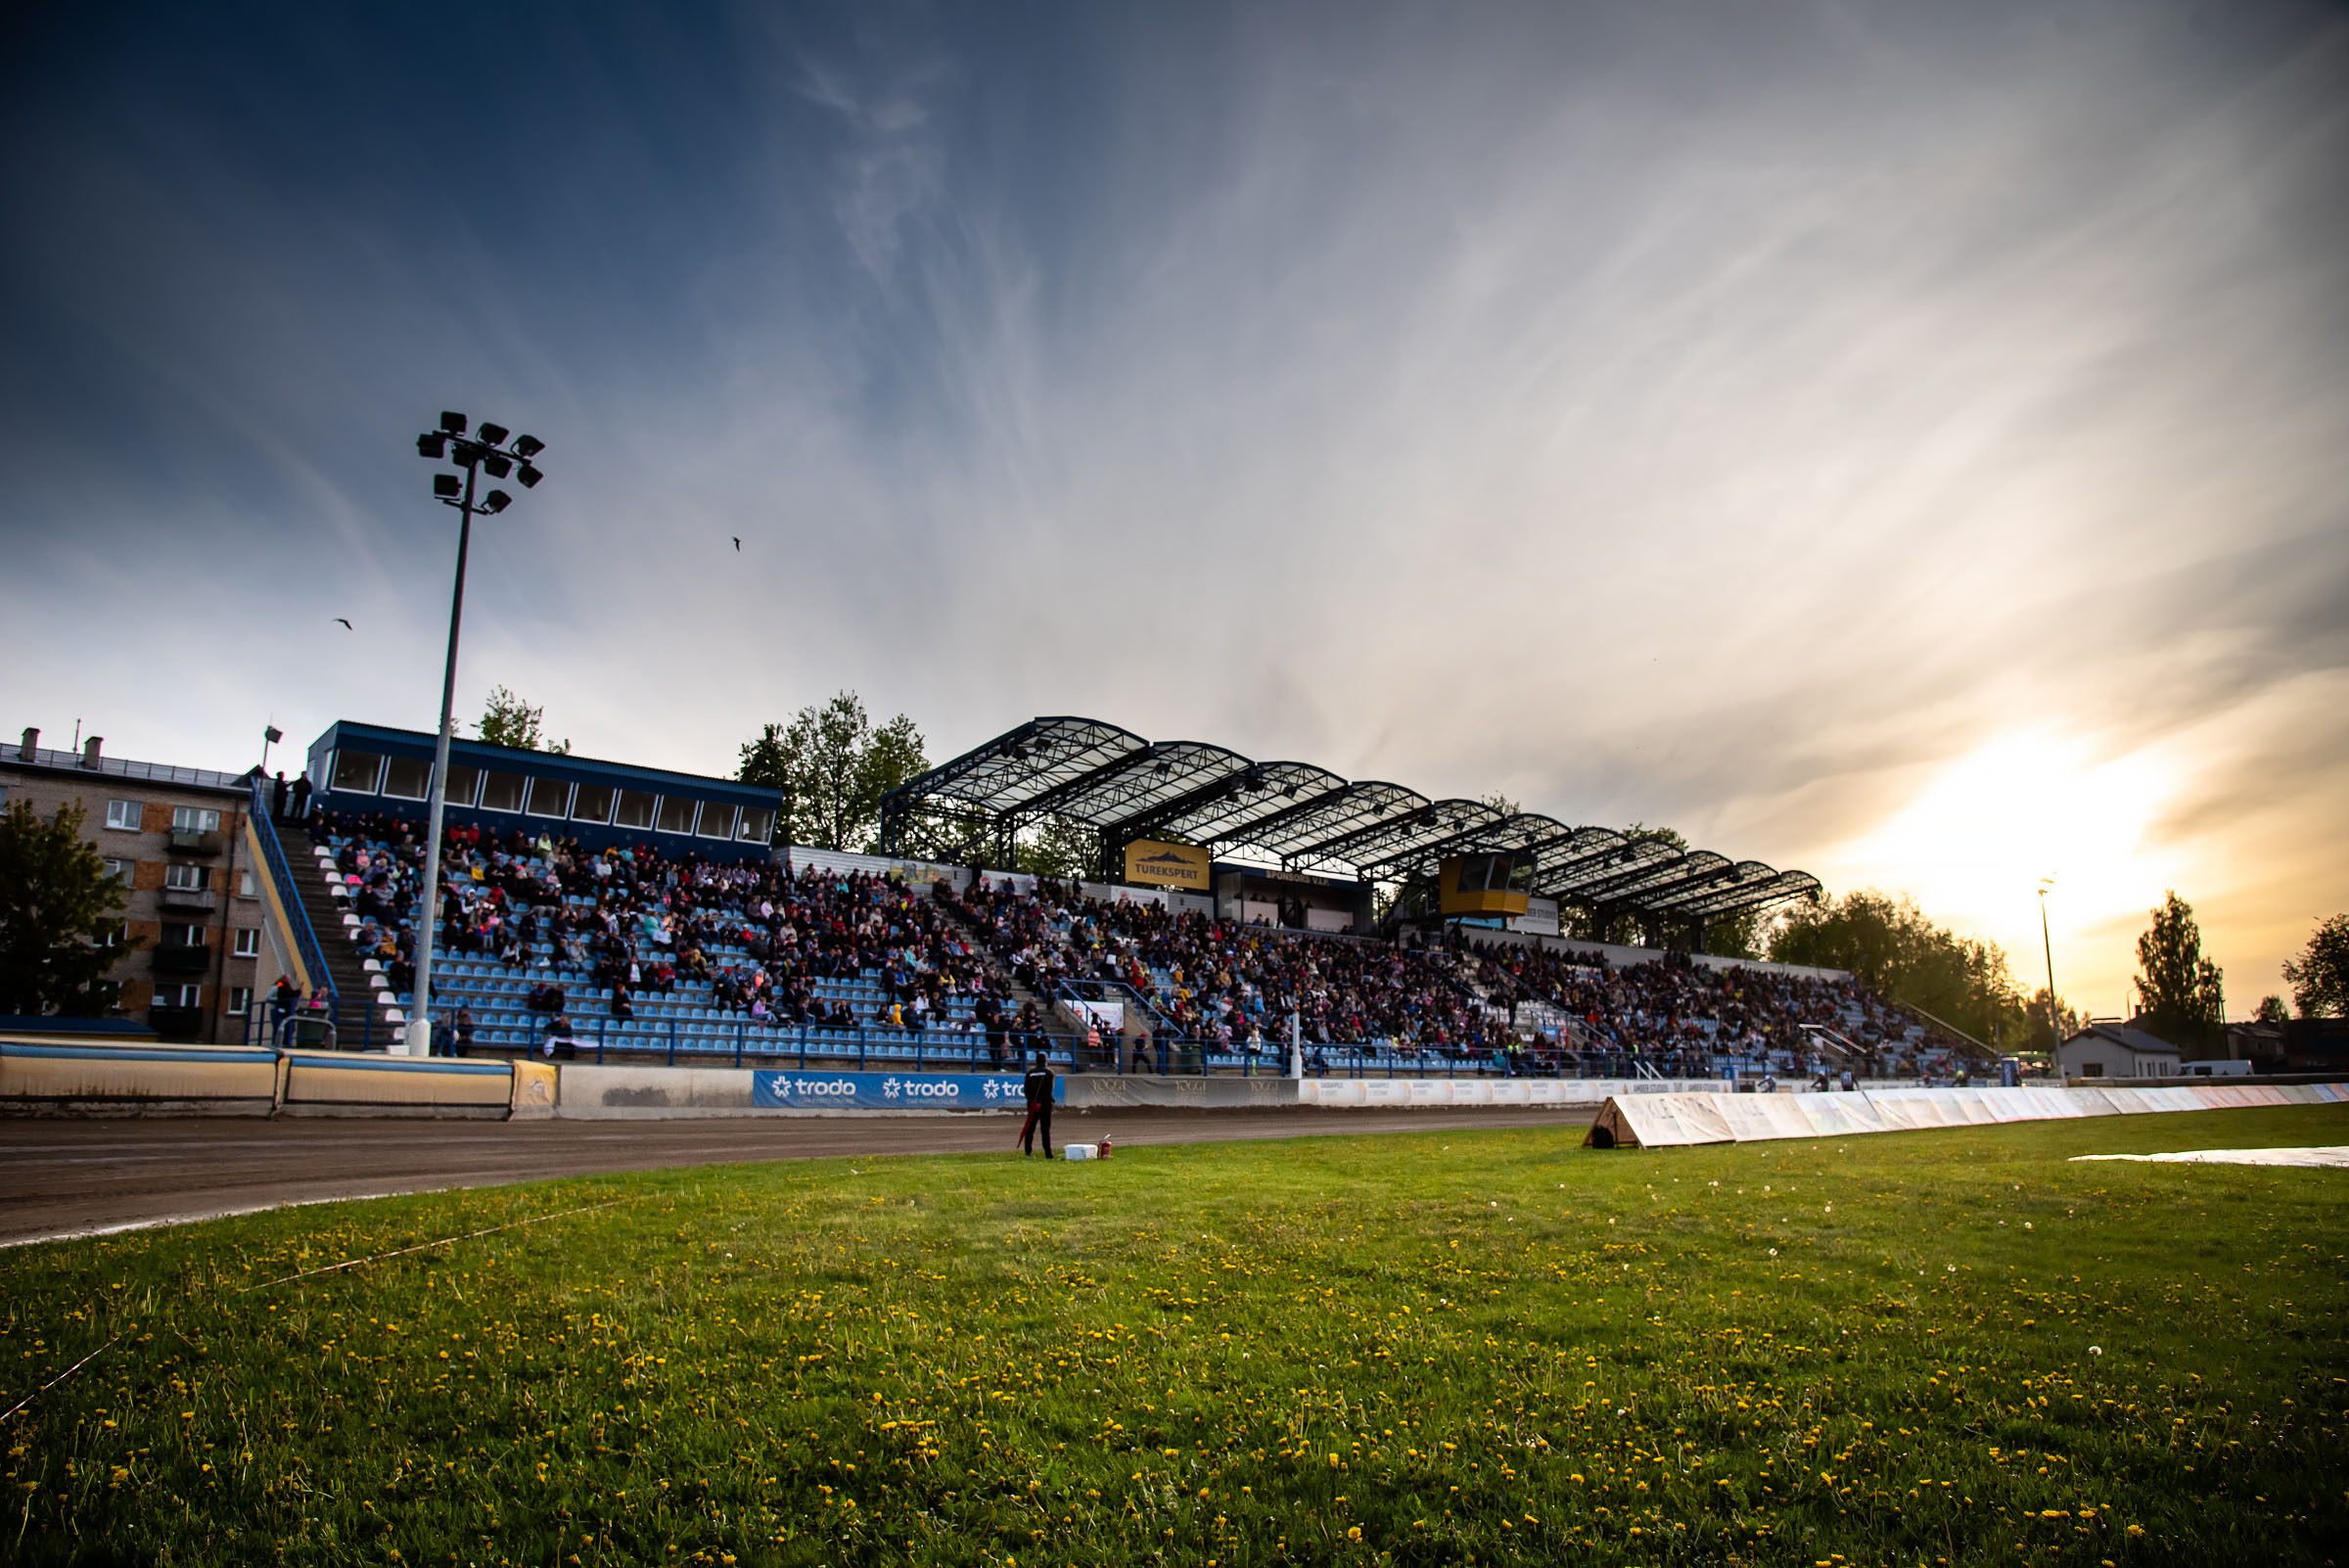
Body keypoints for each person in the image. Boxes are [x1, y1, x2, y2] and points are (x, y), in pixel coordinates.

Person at [1019, 1050, 1056, 1159]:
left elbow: (1026, 1090)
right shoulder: (1049, 1073)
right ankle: (1048, 1153)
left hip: (1033, 1104)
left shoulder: (1030, 1074)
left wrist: (1031, 1100)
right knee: (1045, 1130)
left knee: (1030, 1128)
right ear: (1045, 1061)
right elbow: (1049, 1089)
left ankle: (1027, 1151)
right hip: (1045, 1104)